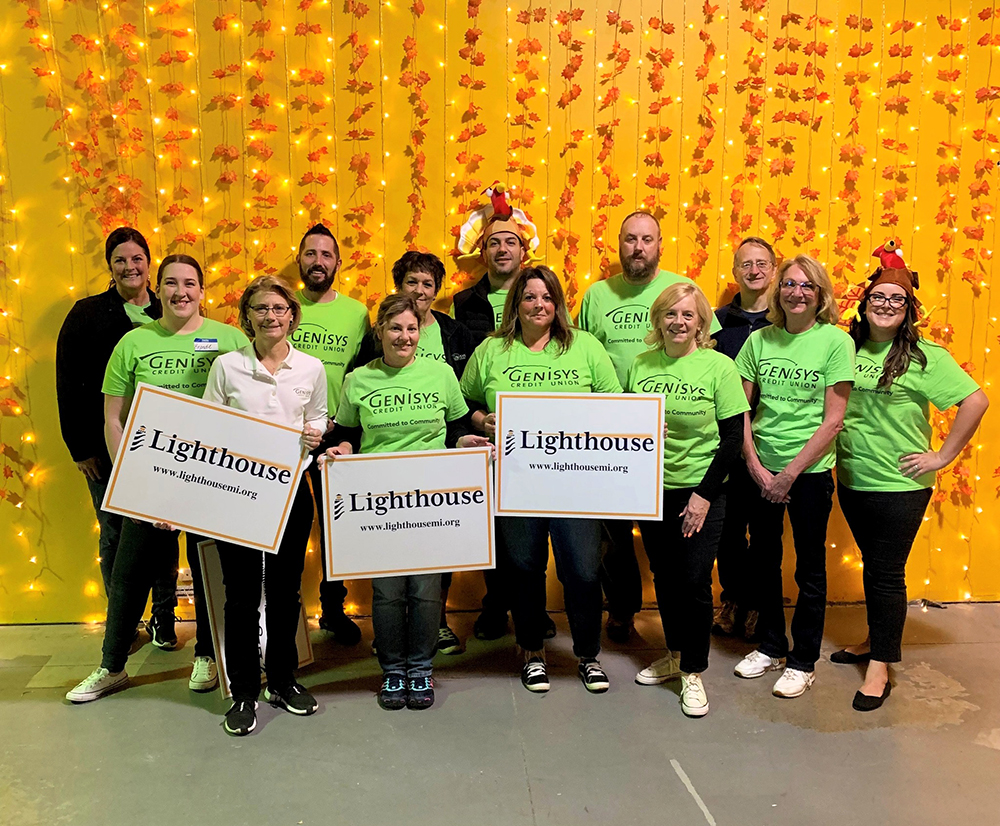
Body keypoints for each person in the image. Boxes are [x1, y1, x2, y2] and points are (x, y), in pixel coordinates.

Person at [66, 254, 248, 703]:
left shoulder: (230, 339)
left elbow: (249, 411)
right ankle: (111, 666)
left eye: (189, 283)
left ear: (202, 291)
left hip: (213, 474)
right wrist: (129, 479)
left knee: (210, 566)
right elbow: (113, 418)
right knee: (129, 571)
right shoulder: (134, 342)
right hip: (153, 476)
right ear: (157, 286)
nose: (180, 291)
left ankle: (207, 654)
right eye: (170, 282)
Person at [460, 266, 622, 694]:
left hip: (577, 484)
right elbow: (464, 402)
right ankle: (531, 650)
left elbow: (615, 405)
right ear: (516, 304)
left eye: (547, 297)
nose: (539, 305)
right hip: (516, 483)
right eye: (529, 297)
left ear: (558, 304)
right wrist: (483, 420)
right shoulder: (492, 350)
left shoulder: (585, 347)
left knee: (584, 571)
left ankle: (587, 655)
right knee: (524, 568)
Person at [835, 260, 988, 711]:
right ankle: (873, 640)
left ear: (908, 309)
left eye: (895, 300)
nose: (885, 305)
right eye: (878, 297)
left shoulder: (925, 357)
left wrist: (943, 456)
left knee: (886, 573)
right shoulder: (845, 348)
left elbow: (976, 400)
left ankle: (881, 667)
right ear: (864, 304)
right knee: (873, 565)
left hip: (900, 486)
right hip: (851, 478)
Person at [326, 294, 489, 711]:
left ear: (421, 331)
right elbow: (346, 433)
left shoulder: (440, 374)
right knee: (387, 592)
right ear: (379, 331)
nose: (404, 336)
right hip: (379, 500)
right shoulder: (357, 380)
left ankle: (420, 669)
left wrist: (465, 441)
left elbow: (454, 430)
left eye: (412, 328)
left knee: (426, 589)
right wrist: (342, 448)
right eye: (395, 328)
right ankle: (392, 670)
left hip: (431, 500)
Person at [577, 211, 722, 642]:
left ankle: (684, 639)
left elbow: (706, 348)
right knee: (615, 533)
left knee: (674, 544)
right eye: (629, 239)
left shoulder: (682, 290)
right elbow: (582, 350)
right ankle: (621, 609)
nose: (638, 247)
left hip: (674, 436)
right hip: (609, 433)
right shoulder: (596, 295)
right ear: (618, 244)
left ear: (660, 244)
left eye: (647, 239)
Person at [202, 276, 327, 736]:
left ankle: (282, 680)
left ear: (292, 314)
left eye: (279, 308)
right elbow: (210, 424)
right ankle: (243, 692)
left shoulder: (312, 368)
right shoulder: (226, 367)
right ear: (247, 316)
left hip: (291, 493)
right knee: (239, 596)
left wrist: (316, 434)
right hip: (237, 493)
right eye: (261, 309)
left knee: (284, 591)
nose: (271, 316)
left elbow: (316, 416)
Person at [733, 255, 855, 698]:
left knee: (809, 568)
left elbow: (833, 420)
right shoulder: (759, 340)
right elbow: (740, 408)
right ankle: (770, 645)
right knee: (763, 562)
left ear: (820, 294)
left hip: (808, 474)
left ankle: (803, 660)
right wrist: (754, 464)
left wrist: (789, 474)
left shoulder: (835, 342)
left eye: (806, 286)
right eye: (788, 284)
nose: (796, 292)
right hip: (761, 470)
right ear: (777, 291)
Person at [628, 283, 748, 716]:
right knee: (663, 575)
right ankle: (675, 655)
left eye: (688, 315)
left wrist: (703, 495)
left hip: (704, 491)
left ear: (701, 323)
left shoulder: (718, 367)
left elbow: (733, 437)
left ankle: (694, 671)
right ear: (659, 319)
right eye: (671, 314)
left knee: (694, 580)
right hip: (652, 490)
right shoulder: (641, 365)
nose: (679, 322)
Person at [56, 228, 177, 639]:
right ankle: (121, 621)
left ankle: (164, 616)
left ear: (149, 263)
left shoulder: (171, 308)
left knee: (163, 535)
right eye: (121, 260)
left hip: (166, 450)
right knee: (115, 532)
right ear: (110, 266)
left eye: (137, 259)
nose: (130, 267)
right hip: (106, 447)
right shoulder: (87, 313)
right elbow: (68, 383)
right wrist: (80, 447)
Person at [357, 251, 476, 654]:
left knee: (431, 569)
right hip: (383, 479)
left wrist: (462, 440)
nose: (420, 290)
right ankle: (391, 638)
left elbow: (459, 408)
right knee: (388, 573)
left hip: (436, 470)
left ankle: (433, 628)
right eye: (412, 282)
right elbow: (353, 415)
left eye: (428, 284)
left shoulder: (453, 335)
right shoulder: (365, 369)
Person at [451, 196, 554, 642]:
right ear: (483, 251)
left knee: (539, 533)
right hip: (492, 441)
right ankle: (497, 604)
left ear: (523, 250)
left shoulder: (541, 297)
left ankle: (535, 609)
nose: (502, 249)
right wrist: (475, 419)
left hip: (546, 447)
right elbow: (467, 374)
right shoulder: (463, 302)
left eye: (510, 241)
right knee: (494, 531)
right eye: (493, 243)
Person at [289, 224, 370, 646]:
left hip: (333, 433)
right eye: (310, 254)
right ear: (299, 259)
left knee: (336, 525)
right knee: (281, 526)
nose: (318, 262)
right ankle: (279, 614)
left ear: (338, 263)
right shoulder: (281, 306)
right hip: (282, 432)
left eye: (326, 255)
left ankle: (333, 609)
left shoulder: (357, 313)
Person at [711, 237, 777, 640]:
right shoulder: (717, 321)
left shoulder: (787, 320)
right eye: (745, 264)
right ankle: (733, 597)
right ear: (734, 272)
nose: (753, 271)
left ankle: (758, 603)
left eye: (761, 264)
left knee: (765, 532)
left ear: (773, 269)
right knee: (727, 531)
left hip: (769, 443)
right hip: (721, 445)